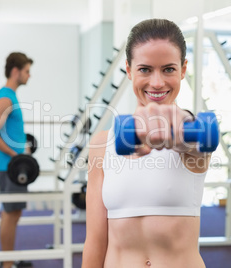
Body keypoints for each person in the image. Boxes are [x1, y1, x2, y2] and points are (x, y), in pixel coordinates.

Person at [82, 19, 215, 268]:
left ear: (183, 69)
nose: (156, 82)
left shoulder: (191, 132)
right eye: (145, 69)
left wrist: (176, 127)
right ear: (129, 70)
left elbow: (194, 149)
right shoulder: (102, 144)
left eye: (168, 69)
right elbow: (95, 242)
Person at [0, 52, 34, 268]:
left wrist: (24, 146)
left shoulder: (9, 96)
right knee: (10, 213)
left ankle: (8, 260)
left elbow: (6, 132)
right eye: (27, 71)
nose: (29, 76)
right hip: (9, 166)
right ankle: (6, 264)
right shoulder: (5, 97)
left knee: (13, 212)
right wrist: (16, 157)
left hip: (11, 164)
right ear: (16, 71)